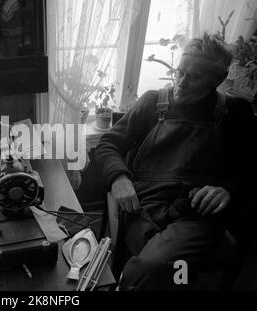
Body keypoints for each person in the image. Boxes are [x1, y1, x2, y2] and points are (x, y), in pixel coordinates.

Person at [95, 33, 256, 290]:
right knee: (166, 270)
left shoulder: (235, 113)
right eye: (179, 72)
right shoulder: (151, 102)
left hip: (195, 215)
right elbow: (108, 144)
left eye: (192, 77)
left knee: (152, 266)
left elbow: (250, 169)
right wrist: (119, 177)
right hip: (143, 206)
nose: (180, 83)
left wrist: (227, 190)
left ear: (219, 79)